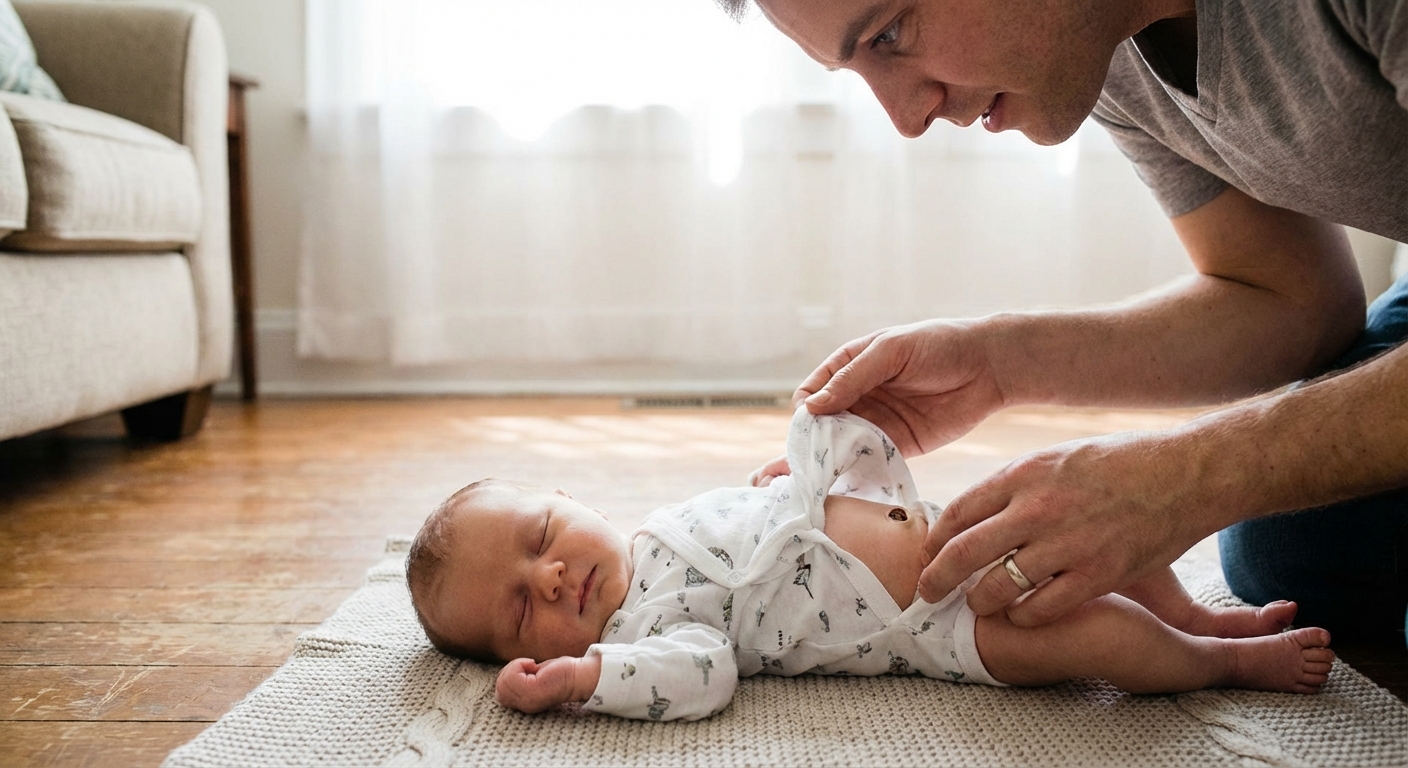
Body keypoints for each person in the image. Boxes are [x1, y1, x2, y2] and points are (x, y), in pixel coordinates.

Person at [728, 0, 1408, 643]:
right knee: (1288, 549)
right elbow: (1294, 296)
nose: (906, 118)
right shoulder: (1103, 43)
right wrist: (997, 363)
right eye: (854, 68)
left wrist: (1183, 476)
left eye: (891, 33)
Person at [406, 409, 1332, 721]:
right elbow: (703, 674)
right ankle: (1215, 662)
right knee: (1095, 633)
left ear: (570, 498)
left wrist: (778, 482)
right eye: (522, 610)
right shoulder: (642, 635)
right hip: (933, 627)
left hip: (944, 526)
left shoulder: (659, 527)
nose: (551, 577)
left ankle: (1197, 615)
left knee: (1092, 537)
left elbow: (750, 524)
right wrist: (585, 679)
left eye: (541, 536)